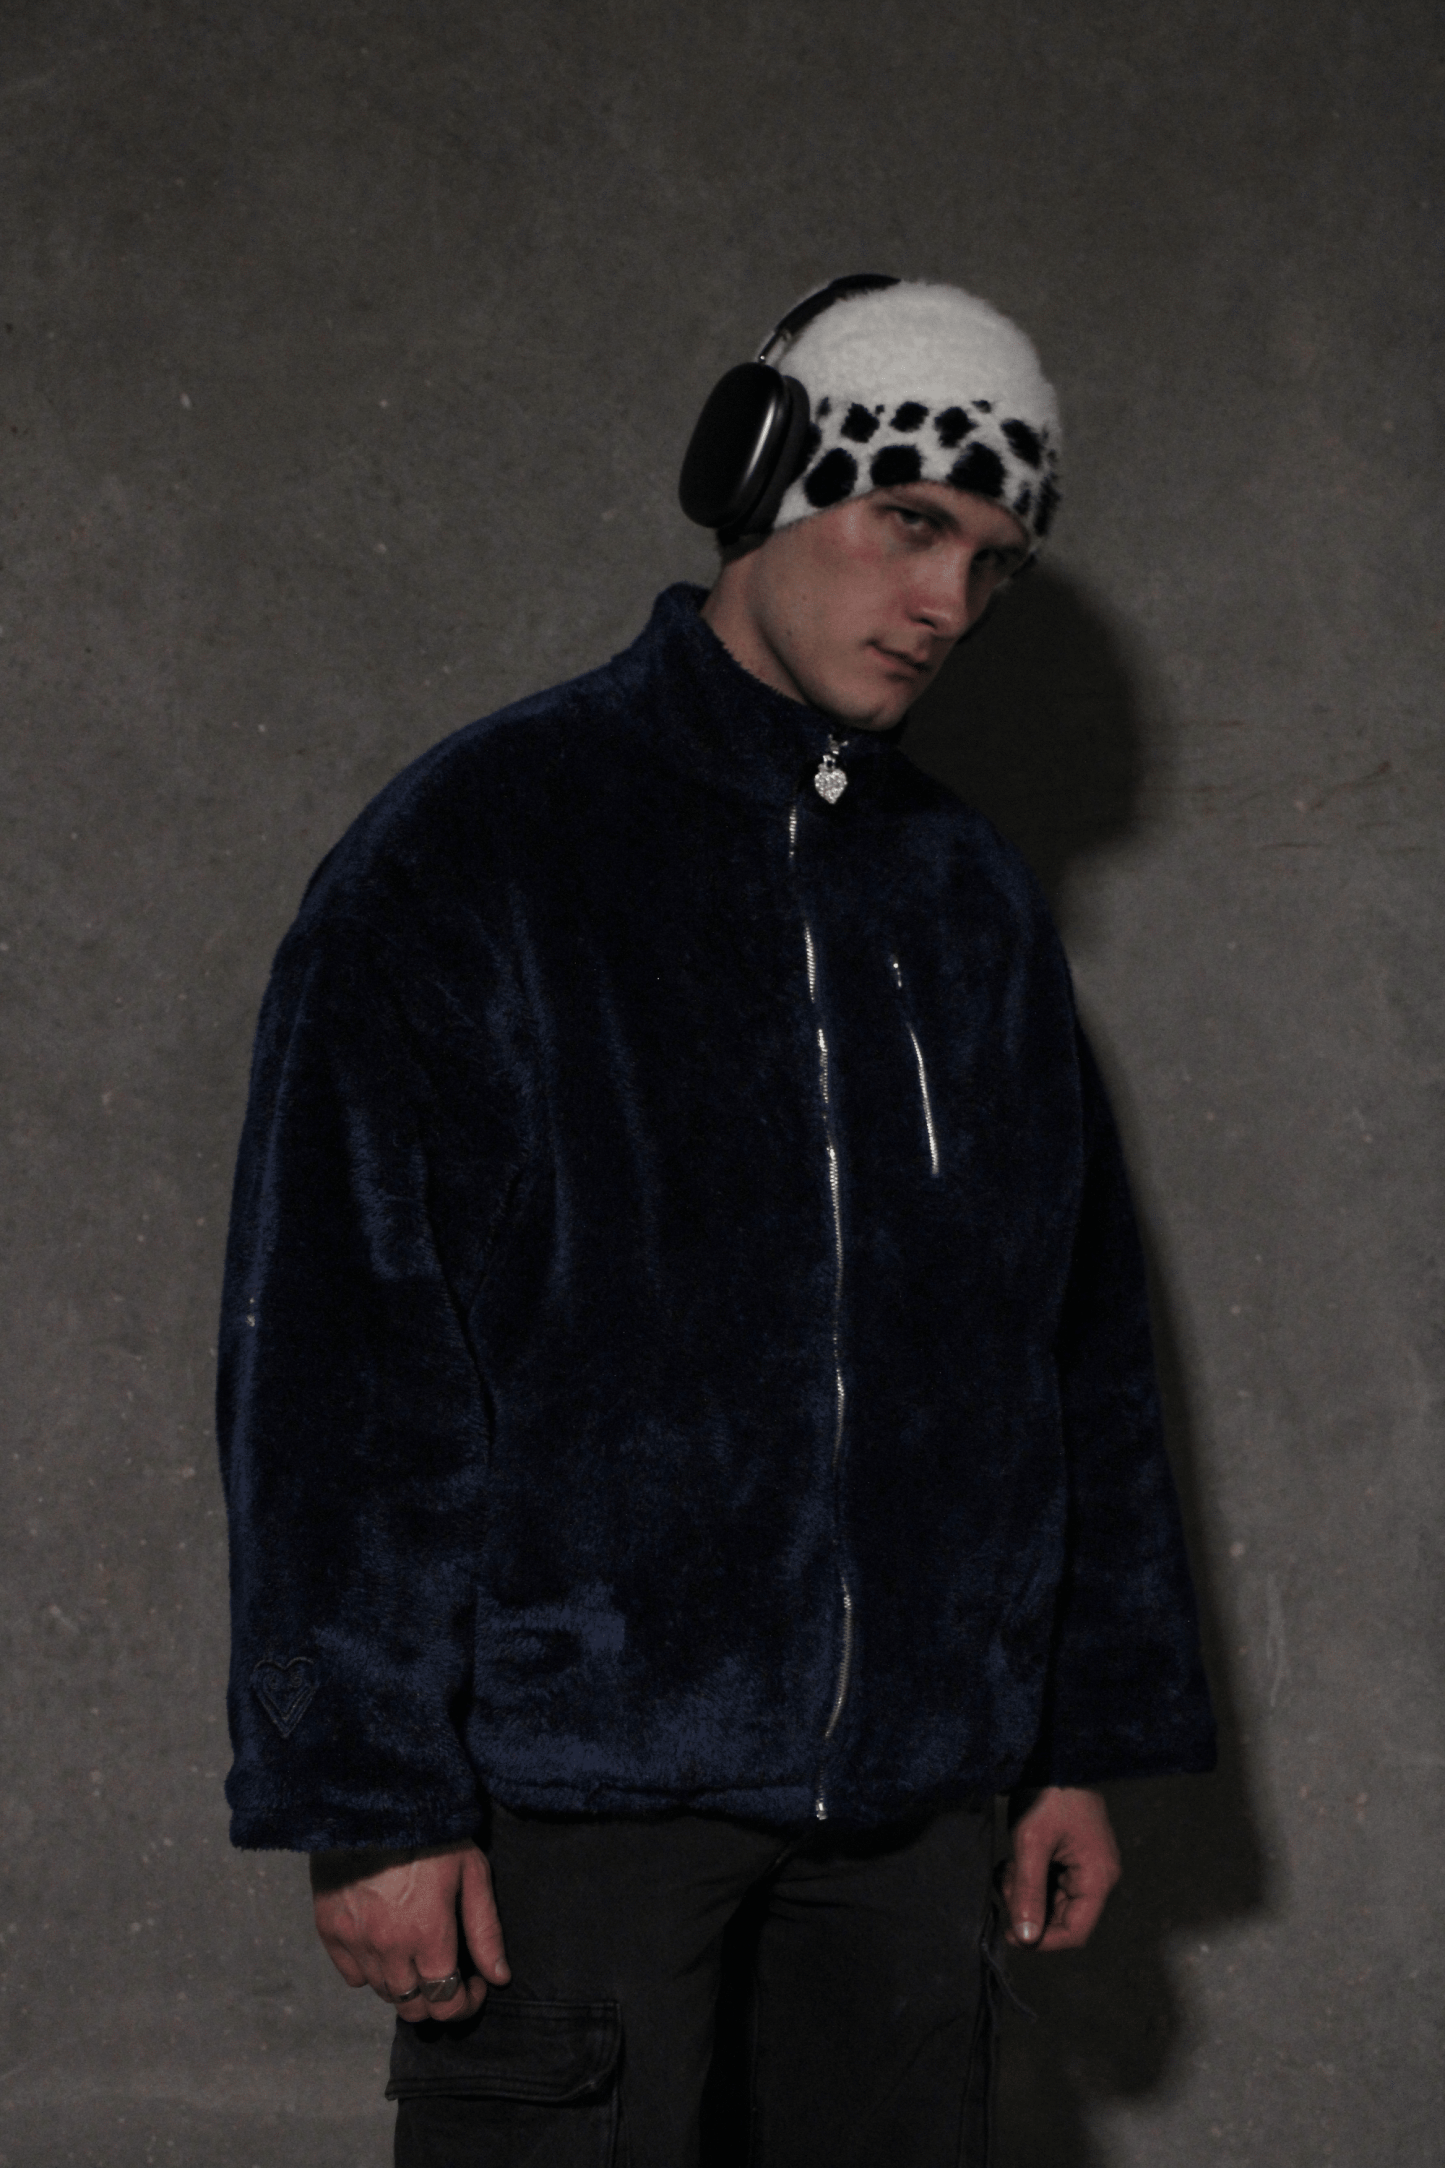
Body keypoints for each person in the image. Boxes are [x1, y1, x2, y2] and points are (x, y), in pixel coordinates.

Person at [218, 276, 1215, 2166]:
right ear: (758, 478)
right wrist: (366, 1796)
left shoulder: (971, 900)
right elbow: (339, 1358)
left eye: (992, 562)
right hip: (580, 1802)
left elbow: (1073, 1344)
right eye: (908, 522)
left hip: (916, 1814)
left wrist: (1076, 1736)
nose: (945, 602)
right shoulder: (479, 846)